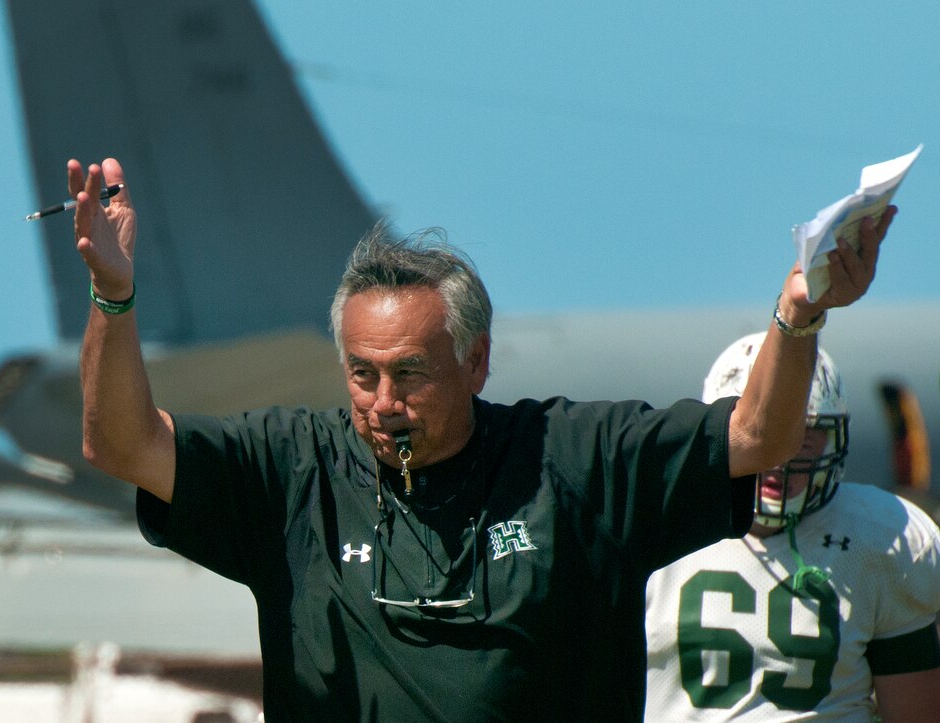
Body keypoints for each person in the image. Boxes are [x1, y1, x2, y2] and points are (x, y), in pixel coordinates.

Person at [68, 156, 895, 721]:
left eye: (410, 375)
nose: (384, 402)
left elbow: (758, 435)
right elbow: (121, 444)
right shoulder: (292, 470)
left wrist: (801, 312)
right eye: (362, 375)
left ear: (477, 361)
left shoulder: (574, 457)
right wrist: (113, 295)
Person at [644, 334, 940, 722]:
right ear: (719, 432)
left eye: (803, 438)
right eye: (762, 433)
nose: (780, 456)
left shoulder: (886, 537)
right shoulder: (652, 527)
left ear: (833, 440)